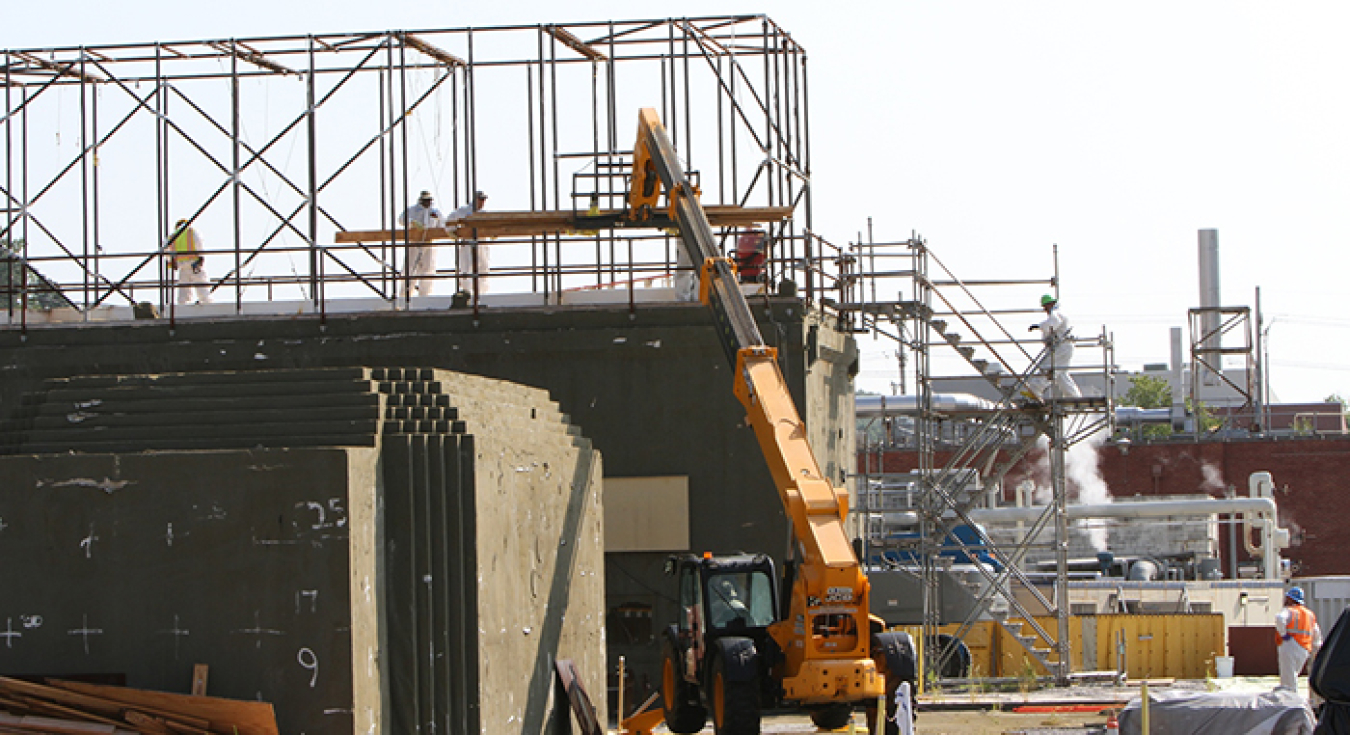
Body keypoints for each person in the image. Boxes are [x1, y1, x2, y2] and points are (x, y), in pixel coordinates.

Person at [1027, 294, 1081, 399]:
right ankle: (1074, 396)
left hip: (1062, 347)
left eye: (1045, 307)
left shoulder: (1056, 313)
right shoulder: (1057, 313)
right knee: (1061, 374)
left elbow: (1052, 324)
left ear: (1050, 304)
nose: (1045, 309)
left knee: (1047, 367)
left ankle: (1035, 389)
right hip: (1065, 347)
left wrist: (1039, 326)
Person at [1276, 586, 1322, 692]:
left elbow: (1279, 618)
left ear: (1291, 599)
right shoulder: (1309, 614)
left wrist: (1284, 634)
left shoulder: (1289, 610)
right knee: (1294, 675)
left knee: (1288, 678)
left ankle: (1290, 702)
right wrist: (1317, 649)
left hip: (1289, 644)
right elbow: (1316, 634)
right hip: (1304, 648)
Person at [398, 190, 444, 297]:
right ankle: (405, 295)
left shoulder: (435, 212)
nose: (427, 203)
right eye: (425, 200)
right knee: (410, 269)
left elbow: (442, 223)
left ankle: (425, 295)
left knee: (428, 269)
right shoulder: (412, 210)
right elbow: (401, 219)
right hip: (415, 243)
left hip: (430, 243)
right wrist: (412, 222)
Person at [448, 190, 490, 298]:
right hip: (468, 242)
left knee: (483, 268)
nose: (482, 203)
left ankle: (482, 294)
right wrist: (452, 232)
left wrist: (493, 232)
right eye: (480, 200)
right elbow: (450, 220)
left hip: (481, 243)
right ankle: (467, 293)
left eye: (483, 200)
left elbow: (491, 226)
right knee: (467, 268)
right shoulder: (464, 211)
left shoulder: (484, 214)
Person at [164, 219, 212, 305]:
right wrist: (201, 258)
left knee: (184, 291)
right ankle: (207, 304)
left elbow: (165, 250)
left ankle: (183, 306)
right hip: (194, 264)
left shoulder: (172, 236)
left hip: (182, 266)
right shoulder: (192, 232)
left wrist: (171, 261)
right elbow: (199, 244)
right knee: (202, 288)